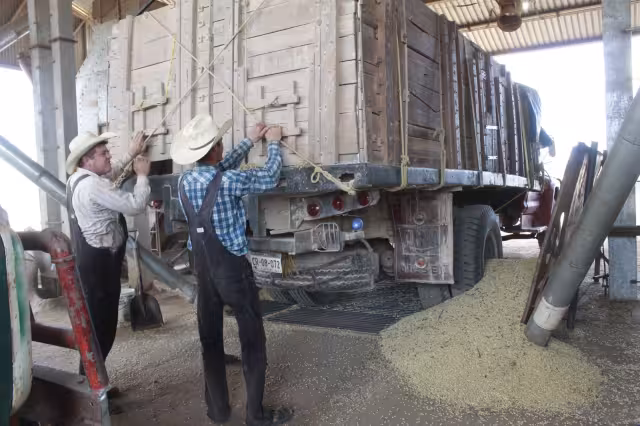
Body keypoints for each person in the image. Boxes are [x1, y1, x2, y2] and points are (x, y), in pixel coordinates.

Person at [171, 115, 293, 426]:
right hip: (233, 272)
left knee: (210, 340)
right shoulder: (230, 182)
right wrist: (273, 143)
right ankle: (255, 415)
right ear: (215, 149)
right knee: (252, 339)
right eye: (220, 144)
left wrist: (250, 141)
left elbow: (217, 169)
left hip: (203, 272)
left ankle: (218, 411)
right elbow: (270, 177)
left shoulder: (184, 182)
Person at [65, 131, 150, 384]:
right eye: (104, 153)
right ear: (87, 160)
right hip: (100, 267)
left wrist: (131, 153)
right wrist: (142, 176)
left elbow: (109, 178)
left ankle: (91, 383)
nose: (109, 156)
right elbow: (135, 205)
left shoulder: (78, 180)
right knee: (103, 329)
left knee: (95, 327)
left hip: (92, 263)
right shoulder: (92, 186)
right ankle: (93, 387)